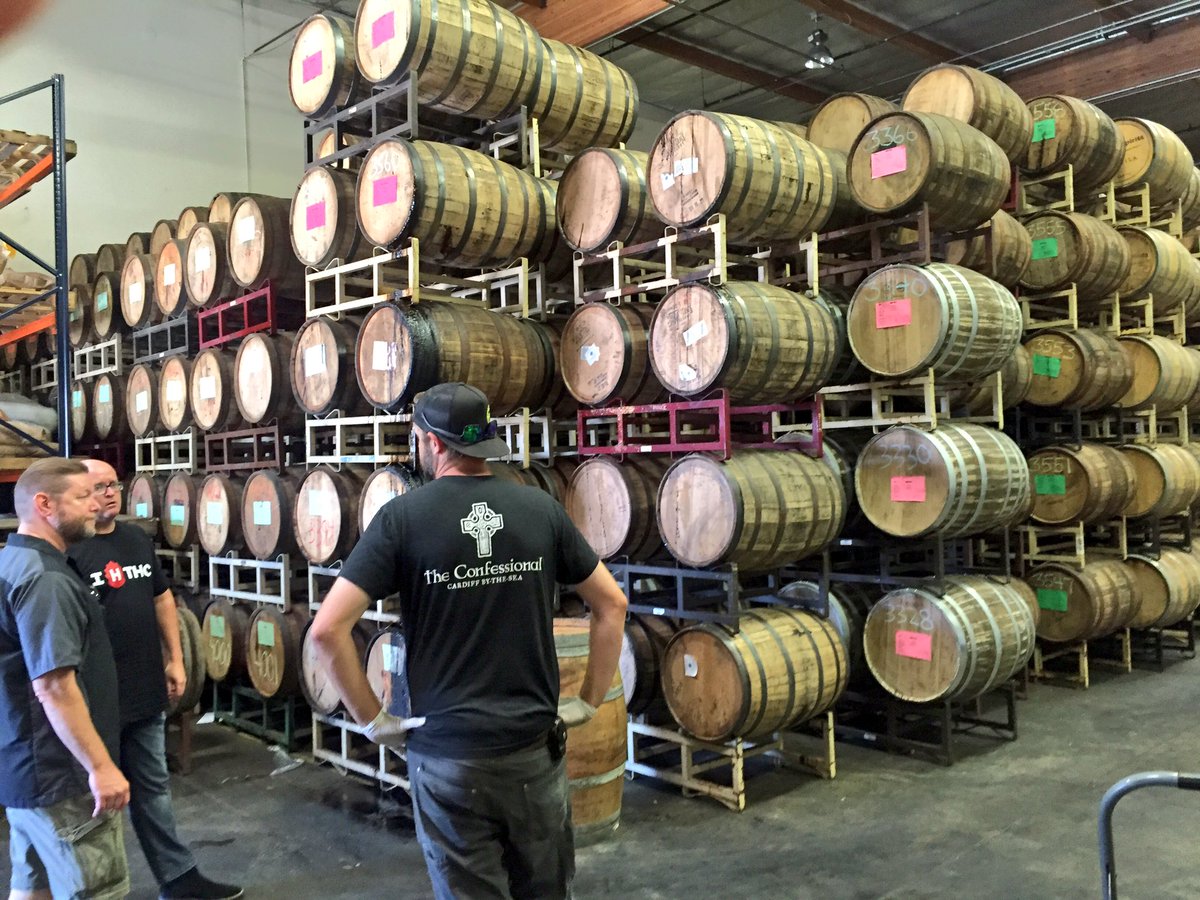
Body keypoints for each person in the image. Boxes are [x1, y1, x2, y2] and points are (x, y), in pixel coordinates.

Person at [311, 382, 628, 900]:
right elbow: (612, 604)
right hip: (532, 752)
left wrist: (374, 721)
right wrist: (589, 701)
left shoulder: (403, 520)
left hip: (447, 759)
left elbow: (327, 631)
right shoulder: (538, 510)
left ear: (433, 443)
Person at [68, 459, 242, 900]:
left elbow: (163, 599)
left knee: (153, 789)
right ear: (78, 494)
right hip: (95, 698)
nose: (109, 493)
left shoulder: (133, 539)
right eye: (98, 487)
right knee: (95, 802)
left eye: (114, 485)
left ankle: (178, 879)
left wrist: (176, 659)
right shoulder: (68, 550)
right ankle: (95, 889)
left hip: (144, 687)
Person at [0, 456, 129, 899]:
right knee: (96, 889)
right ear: (44, 504)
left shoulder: (13, 561)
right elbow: (53, 686)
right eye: (82, 496)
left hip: (27, 768)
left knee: (31, 886)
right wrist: (100, 768)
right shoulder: (44, 580)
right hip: (63, 775)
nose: (96, 504)